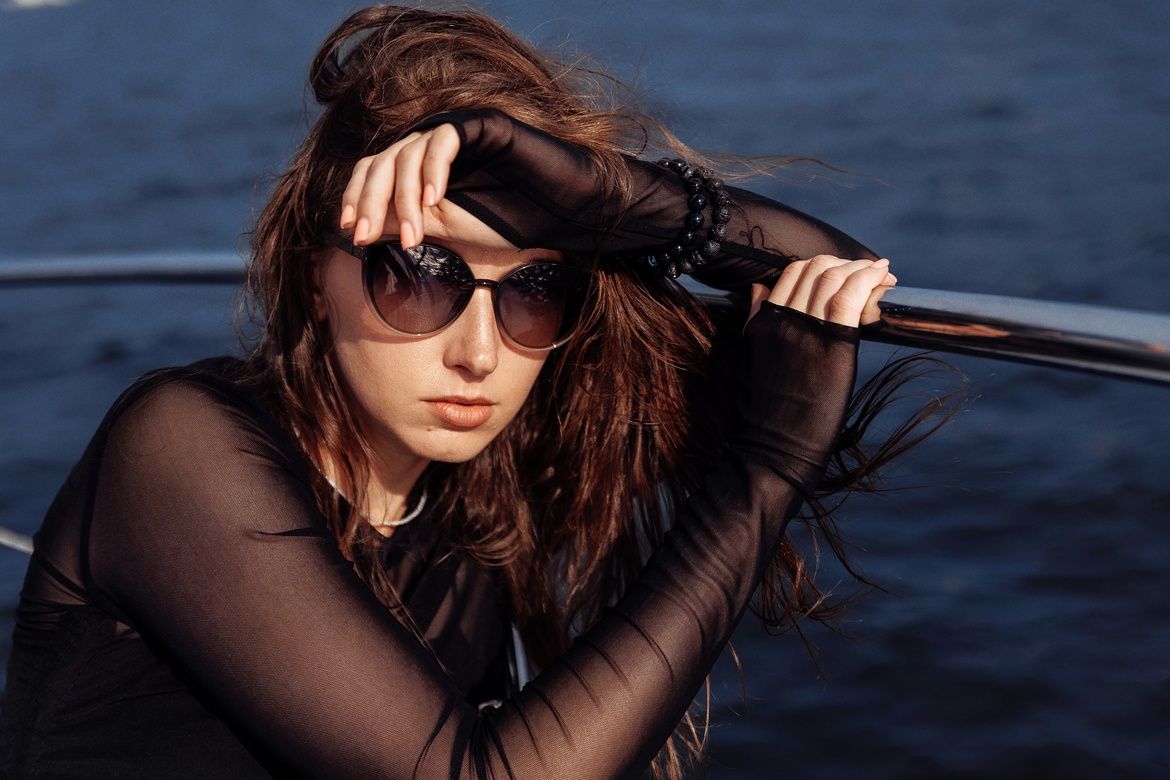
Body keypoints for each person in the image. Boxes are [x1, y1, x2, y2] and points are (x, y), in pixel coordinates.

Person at [0, 5, 924, 779]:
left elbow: (844, 275)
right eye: (419, 274)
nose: (480, 353)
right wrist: (764, 471)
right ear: (317, 275)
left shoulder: (479, 487)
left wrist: (604, 198)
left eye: (535, 287)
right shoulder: (179, 448)